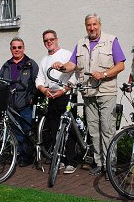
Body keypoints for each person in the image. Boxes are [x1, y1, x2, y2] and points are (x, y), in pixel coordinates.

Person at [53, 14, 126, 178]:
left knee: (107, 129)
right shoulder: (81, 43)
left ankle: (110, 166)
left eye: (94, 24)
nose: (91, 28)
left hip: (106, 91)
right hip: (87, 92)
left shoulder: (111, 40)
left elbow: (121, 64)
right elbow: (73, 64)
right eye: (88, 25)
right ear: (85, 26)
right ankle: (99, 163)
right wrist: (61, 67)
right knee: (93, 130)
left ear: (100, 24)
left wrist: (104, 73)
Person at [35, 30, 78, 174]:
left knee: (69, 129)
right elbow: (39, 79)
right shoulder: (44, 60)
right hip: (51, 96)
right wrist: (43, 89)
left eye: (51, 39)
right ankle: (60, 159)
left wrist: (64, 89)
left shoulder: (67, 54)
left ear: (57, 39)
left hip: (65, 95)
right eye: (46, 40)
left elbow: (75, 74)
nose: (49, 42)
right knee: (54, 130)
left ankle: (71, 162)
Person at [0, 37, 39, 167]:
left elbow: (37, 82)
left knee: (26, 131)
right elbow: (0, 82)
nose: (17, 50)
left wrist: (32, 98)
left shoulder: (31, 64)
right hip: (11, 104)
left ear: (23, 48)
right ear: (11, 49)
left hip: (26, 104)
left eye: (19, 47)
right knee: (15, 132)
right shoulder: (6, 65)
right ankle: (19, 155)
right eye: (14, 47)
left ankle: (27, 156)